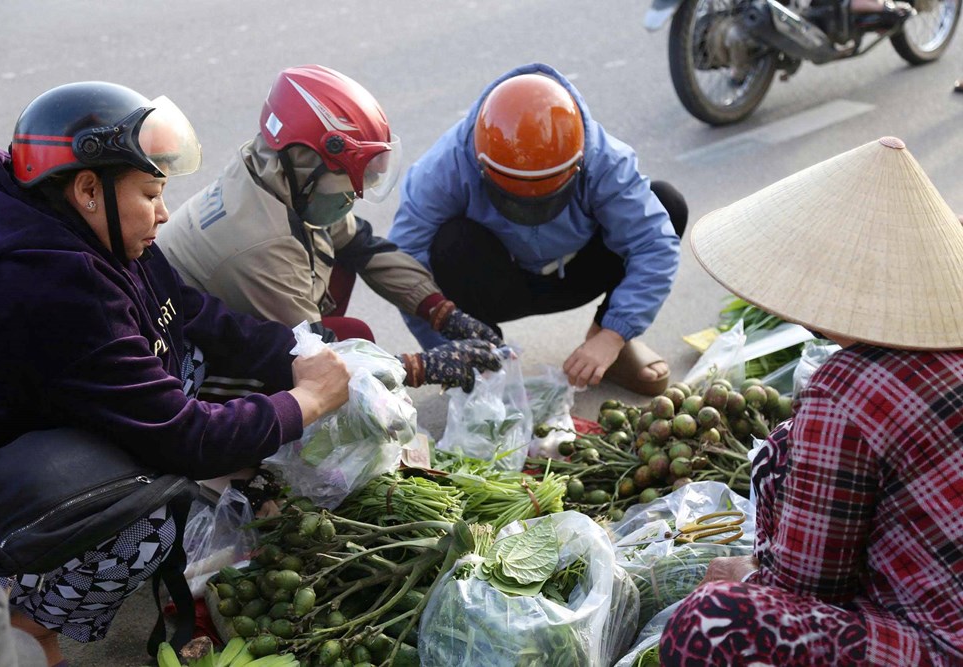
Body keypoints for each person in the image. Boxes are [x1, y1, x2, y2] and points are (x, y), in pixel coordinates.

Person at [0, 81, 352, 667]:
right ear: (89, 189)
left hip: (34, 419)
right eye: (150, 193)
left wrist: (293, 352)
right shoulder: (54, 285)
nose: (164, 213)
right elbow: (187, 439)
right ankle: (29, 616)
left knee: (183, 356)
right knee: (153, 512)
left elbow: (187, 312)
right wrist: (307, 402)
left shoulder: (72, 223)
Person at [659, 136, 963, 665]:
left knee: (708, 624)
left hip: (942, 647)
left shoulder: (846, 391)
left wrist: (750, 579)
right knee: (780, 449)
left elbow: (809, 589)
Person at [157, 65, 503, 395]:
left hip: (223, 321)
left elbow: (364, 247)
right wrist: (419, 367)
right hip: (193, 373)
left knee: (343, 264)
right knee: (353, 338)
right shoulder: (259, 242)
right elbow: (321, 363)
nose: (356, 193)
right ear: (305, 160)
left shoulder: (275, 175)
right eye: (350, 181)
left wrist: (444, 313)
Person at [387, 62, 689, 396]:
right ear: (482, 164)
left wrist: (613, 334)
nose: (531, 209)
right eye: (516, 199)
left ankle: (608, 346)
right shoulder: (446, 166)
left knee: (665, 204)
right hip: (496, 284)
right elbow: (403, 267)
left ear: (577, 163)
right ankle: (480, 360)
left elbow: (654, 245)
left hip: (577, 274)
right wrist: (446, 348)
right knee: (447, 243)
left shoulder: (603, 158)